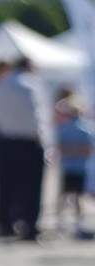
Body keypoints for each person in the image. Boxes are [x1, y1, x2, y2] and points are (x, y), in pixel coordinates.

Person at [0, 58, 50, 240]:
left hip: (3, 139)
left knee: (4, 185)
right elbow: (39, 116)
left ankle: (4, 222)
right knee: (31, 187)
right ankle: (29, 225)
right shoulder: (32, 85)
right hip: (29, 141)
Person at [52, 92, 93, 239]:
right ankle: (72, 223)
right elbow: (87, 149)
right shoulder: (84, 128)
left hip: (71, 166)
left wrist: (70, 150)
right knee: (74, 197)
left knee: (67, 196)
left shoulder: (68, 128)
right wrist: (76, 150)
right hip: (78, 167)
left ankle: (63, 221)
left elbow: (60, 148)